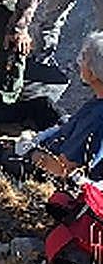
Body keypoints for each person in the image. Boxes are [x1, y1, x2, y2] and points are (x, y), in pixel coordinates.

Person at [26, 31, 103, 179]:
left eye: (84, 58)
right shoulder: (98, 99)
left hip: (53, 168)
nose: (79, 62)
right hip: (64, 136)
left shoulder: (96, 120)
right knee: (42, 105)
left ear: (94, 74)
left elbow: (64, 169)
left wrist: (29, 152)